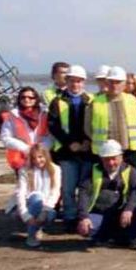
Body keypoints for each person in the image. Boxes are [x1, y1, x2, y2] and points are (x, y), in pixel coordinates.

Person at [48, 64, 92, 229]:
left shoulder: (91, 100)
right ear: (66, 81)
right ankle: (69, 217)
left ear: (84, 82)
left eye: (79, 81)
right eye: (72, 81)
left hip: (87, 152)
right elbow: (53, 125)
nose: (75, 85)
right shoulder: (57, 102)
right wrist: (69, 143)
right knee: (67, 188)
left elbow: (95, 124)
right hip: (67, 152)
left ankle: (83, 218)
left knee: (85, 188)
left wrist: (88, 141)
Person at [76, 140, 136, 247]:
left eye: (114, 158)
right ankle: (105, 236)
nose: (111, 163)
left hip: (122, 213)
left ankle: (129, 237)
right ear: (101, 159)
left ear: (121, 157)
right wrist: (83, 217)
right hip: (100, 212)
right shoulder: (93, 171)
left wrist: (129, 209)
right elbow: (83, 193)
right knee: (86, 229)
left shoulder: (131, 171)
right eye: (106, 159)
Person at [86, 65, 136, 167]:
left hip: (129, 152)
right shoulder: (95, 102)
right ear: (107, 82)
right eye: (112, 82)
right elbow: (87, 128)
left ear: (124, 84)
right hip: (104, 153)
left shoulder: (133, 101)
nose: (114, 85)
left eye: (118, 82)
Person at [6, 143, 61, 248]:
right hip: (25, 207)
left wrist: (45, 211)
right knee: (36, 198)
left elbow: (55, 192)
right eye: (34, 158)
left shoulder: (56, 169)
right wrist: (26, 216)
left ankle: (36, 228)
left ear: (46, 156)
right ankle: (32, 234)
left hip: (45, 207)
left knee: (50, 214)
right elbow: (20, 193)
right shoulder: (24, 170)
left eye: (40, 157)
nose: (37, 161)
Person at [1, 87, 53, 172]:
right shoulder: (12, 115)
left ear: (36, 99)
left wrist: (40, 149)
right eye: (23, 97)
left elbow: (51, 135)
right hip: (22, 157)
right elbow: (5, 137)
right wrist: (25, 149)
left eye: (31, 97)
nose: (26, 99)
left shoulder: (45, 114)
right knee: (24, 184)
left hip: (43, 157)